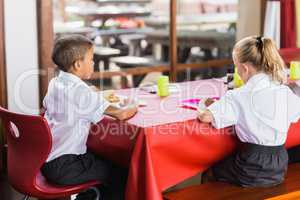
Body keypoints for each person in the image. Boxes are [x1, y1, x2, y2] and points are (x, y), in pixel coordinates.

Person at [42, 34, 137, 199]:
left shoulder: (56, 82)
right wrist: (133, 103)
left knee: (106, 160)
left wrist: (93, 92)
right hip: (67, 165)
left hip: (47, 159)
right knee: (124, 173)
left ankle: (91, 195)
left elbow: (82, 96)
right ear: (78, 64)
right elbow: (121, 113)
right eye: (91, 59)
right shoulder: (80, 92)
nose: (93, 63)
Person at [198, 36, 300, 187]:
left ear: (245, 68)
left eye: (236, 66)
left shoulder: (238, 95)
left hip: (251, 166)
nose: (237, 71)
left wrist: (203, 105)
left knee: (209, 171)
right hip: (280, 165)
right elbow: (293, 115)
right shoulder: (283, 91)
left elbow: (205, 117)